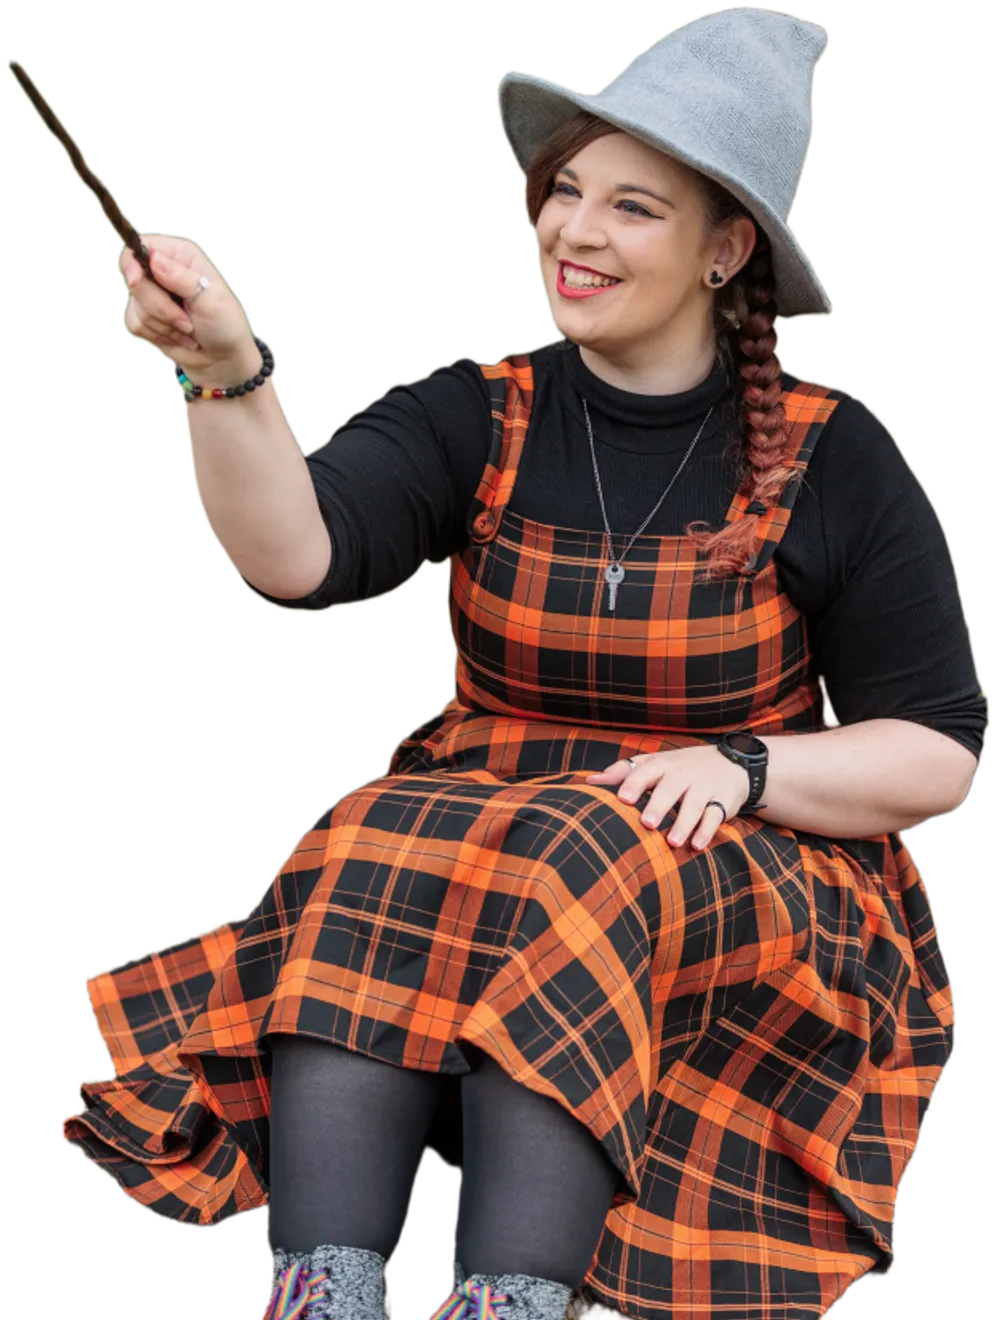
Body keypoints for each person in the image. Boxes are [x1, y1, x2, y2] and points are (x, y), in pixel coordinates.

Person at [61, 13, 986, 1320]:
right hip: (494, 805)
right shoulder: (480, 408)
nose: (572, 231)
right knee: (366, 839)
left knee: (586, 859)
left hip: (761, 846)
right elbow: (295, 554)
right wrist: (227, 378)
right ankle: (319, 1292)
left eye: (632, 206)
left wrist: (743, 767)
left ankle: (514, 1302)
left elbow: (937, 749)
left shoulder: (836, 457)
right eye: (563, 194)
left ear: (729, 251)